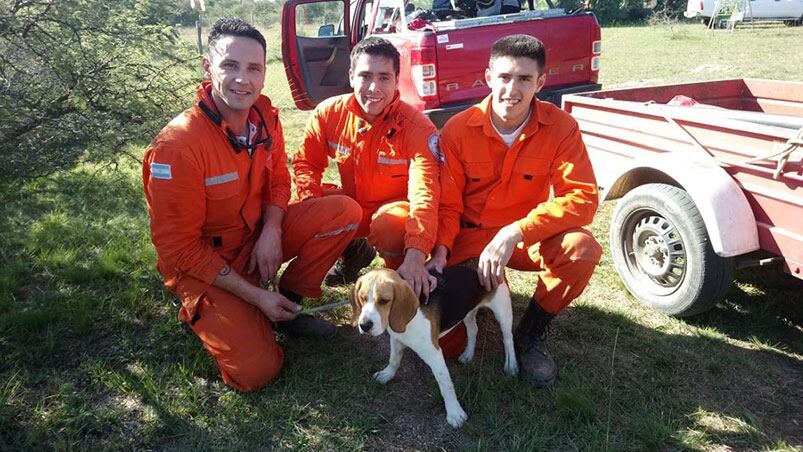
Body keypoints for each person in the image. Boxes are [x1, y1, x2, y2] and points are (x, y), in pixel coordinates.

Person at [142, 18, 362, 392]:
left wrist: (272, 231)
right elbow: (179, 248)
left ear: (264, 73)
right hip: (205, 266)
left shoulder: (265, 119)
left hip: (257, 240)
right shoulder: (178, 146)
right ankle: (223, 311)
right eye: (230, 66)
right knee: (258, 372)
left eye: (253, 68)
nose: (242, 79)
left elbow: (279, 180)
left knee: (345, 211)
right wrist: (256, 296)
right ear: (208, 67)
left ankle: (288, 306)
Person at [428, 34, 602, 388]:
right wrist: (442, 251)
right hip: (471, 235)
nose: (512, 89)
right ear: (488, 76)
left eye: (524, 79)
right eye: (505, 77)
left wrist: (516, 232)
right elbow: (447, 204)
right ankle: (484, 286)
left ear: (541, 82)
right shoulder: (458, 129)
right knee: (446, 343)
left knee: (581, 250)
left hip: (526, 236)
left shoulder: (562, 127)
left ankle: (530, 334)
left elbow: (582, 197)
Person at [293, 36, 441, 300]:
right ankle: (303, 286)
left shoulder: (417, 127)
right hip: (353, 208)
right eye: (365, 76)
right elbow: (307, 165)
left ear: (397, 79)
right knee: (305, 208)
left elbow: (425, 193)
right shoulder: (328, 113)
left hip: (395, 215)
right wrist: (310, 204)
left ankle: (401, 284)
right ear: (351, 76)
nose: (374, 87)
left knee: (389, 225)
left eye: (384, 77)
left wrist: (417, 252)